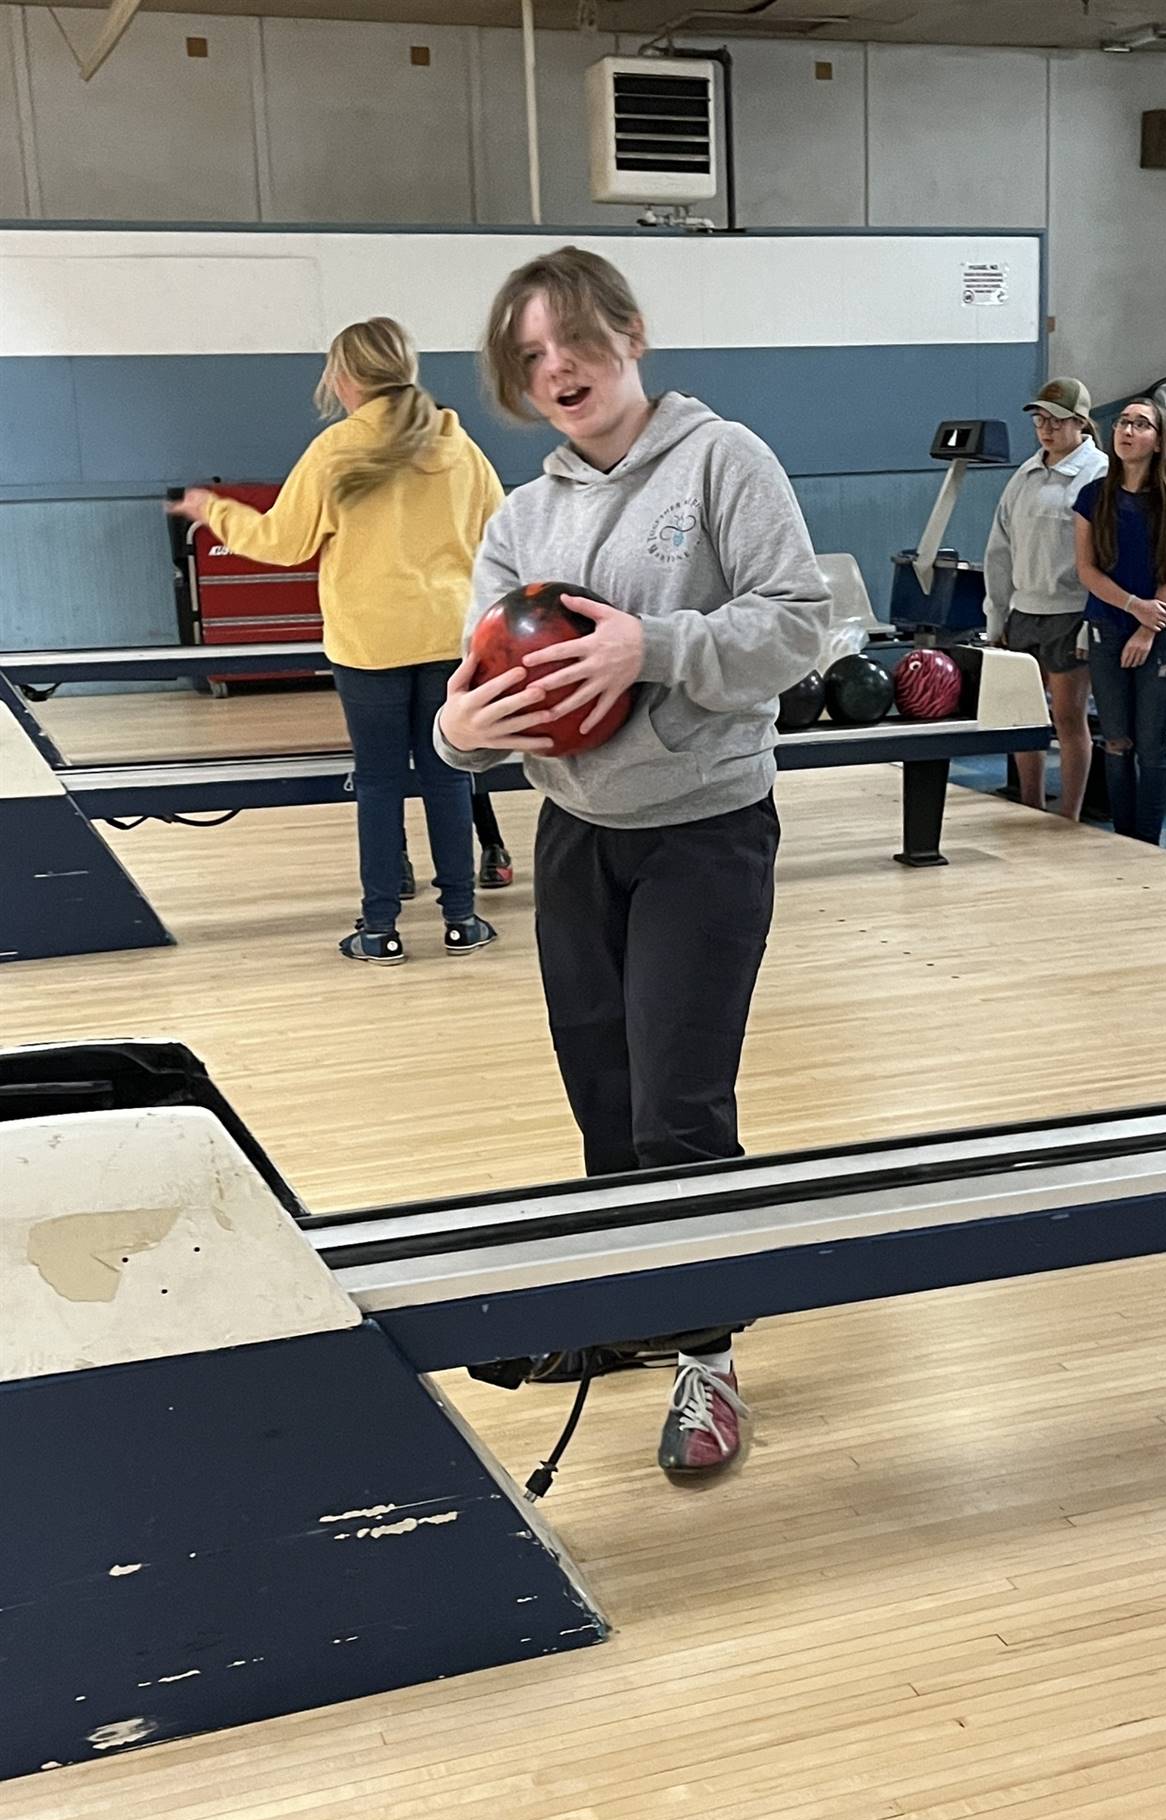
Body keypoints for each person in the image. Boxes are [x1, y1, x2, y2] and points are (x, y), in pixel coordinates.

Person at [435, 246, 830, 1477]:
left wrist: (645, 649)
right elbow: (478, 686)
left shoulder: (723, 461)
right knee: (604, 1102)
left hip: (705, 833)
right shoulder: (521, 515)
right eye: (530, 356)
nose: (557, 369)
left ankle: (706, 1354)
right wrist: (456, 734)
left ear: (632, 334)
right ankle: (630, 1309)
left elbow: (801, 624)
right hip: (574, 839)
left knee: (677, 1108)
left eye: (575, 343)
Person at [168, 318, 508, 961]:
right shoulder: (459, 446)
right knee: (446, 777)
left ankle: (379, 929)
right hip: (448, 636)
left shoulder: (337, 449)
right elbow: (500, 537)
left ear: (346, 377)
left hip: (369, 644)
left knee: (379, 783)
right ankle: (462, 920)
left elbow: (283, 542)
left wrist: (212, 510)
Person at [1073, 396, 1166, 846]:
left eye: (1140, 424)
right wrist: (1131, 607)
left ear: (1159, 440)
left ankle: (1148, 841)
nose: (1127, 431)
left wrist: (1149, 626)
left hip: (1159, 631)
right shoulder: (1092, 496)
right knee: (1116, 739)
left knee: (1152, 743)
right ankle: (1122, 838)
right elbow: (1087, 570)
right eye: (1122, 423)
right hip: (1108, 624)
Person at [983, 377, 1108, 820]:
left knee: (1068, 720)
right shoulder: (1025, 474)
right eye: (1039, 420)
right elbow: (999, 550)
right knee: (1023, 719)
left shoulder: (1099, 473)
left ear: (1080, 423)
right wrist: (997, 618)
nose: (1045, 429)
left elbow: (1105, 558)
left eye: (1055, 421)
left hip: (1070, 614)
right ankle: (1030, 804)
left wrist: (1094, 621)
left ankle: (1069, 813)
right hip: (1024, 612)